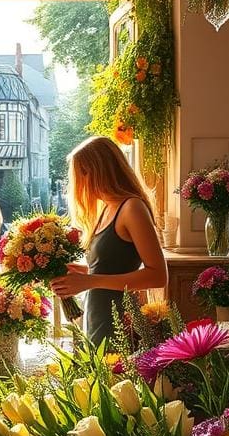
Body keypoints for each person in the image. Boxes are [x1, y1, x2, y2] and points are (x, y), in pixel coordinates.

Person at [50, 136, 167, 345]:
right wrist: (82, 272)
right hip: (98, 316)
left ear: (97, 171)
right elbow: (113, 268)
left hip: (119, 320)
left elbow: (158, 276)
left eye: (81, 175)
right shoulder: (106, 209)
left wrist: (90, 281)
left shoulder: (132, 208)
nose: (79, 184)